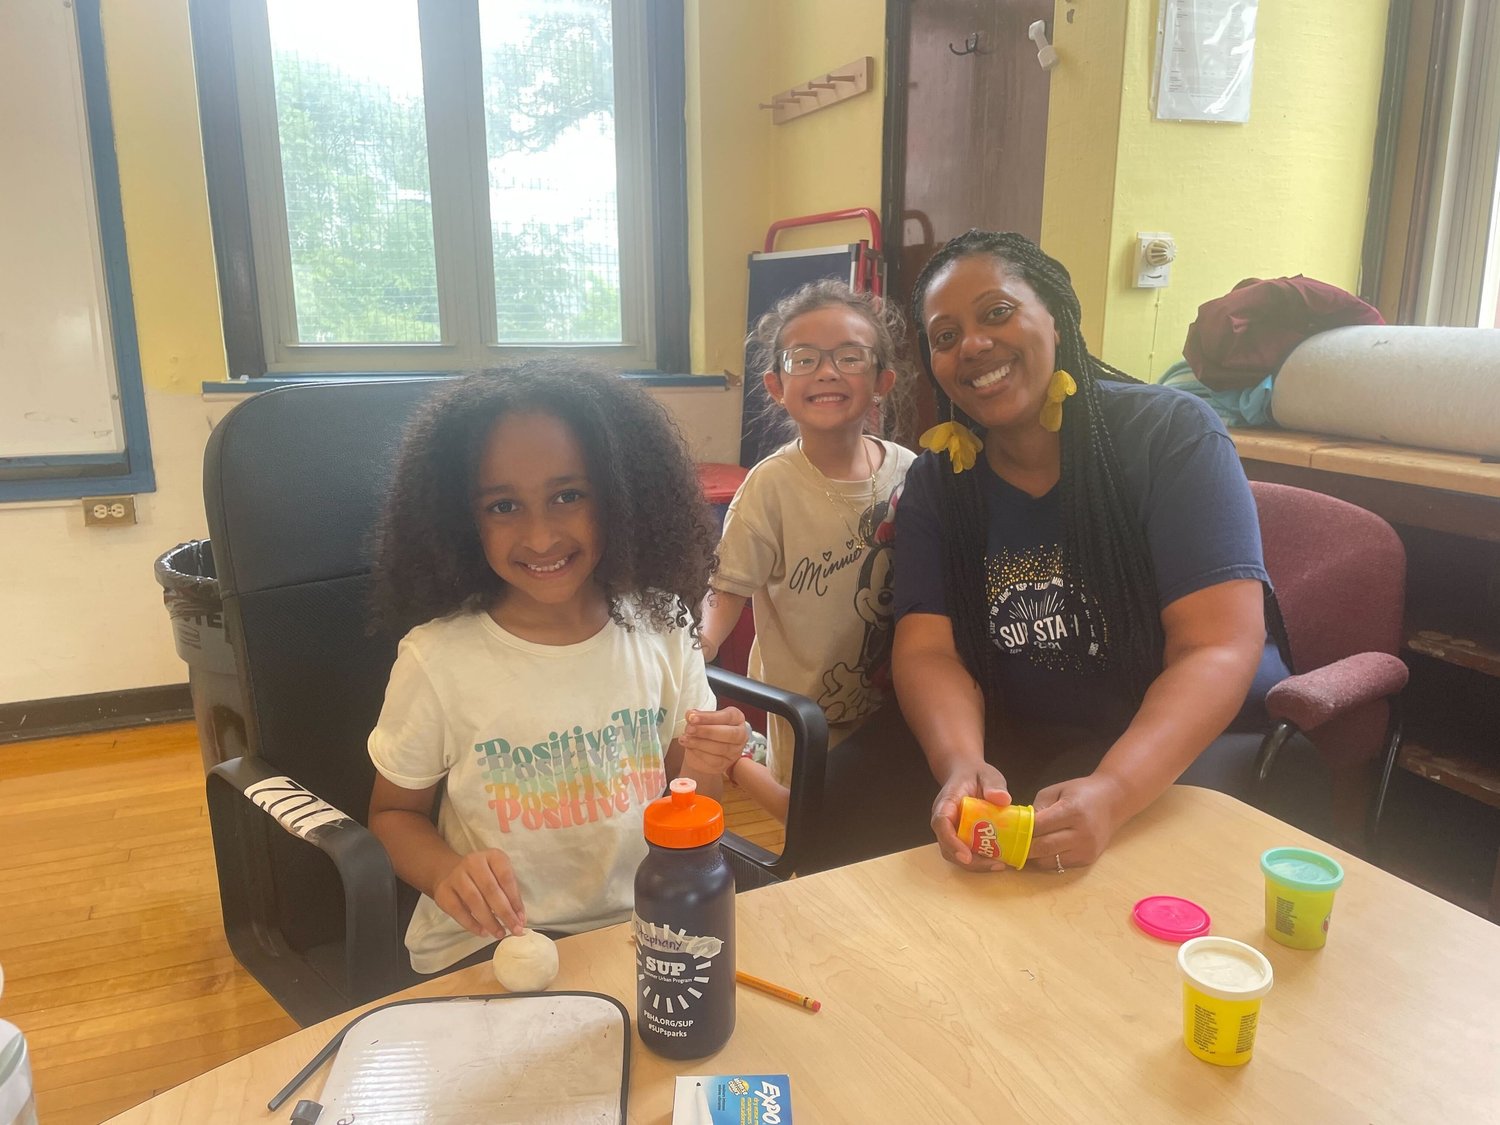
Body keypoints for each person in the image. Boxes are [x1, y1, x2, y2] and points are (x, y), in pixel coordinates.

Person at [894, 230, 1296, 874]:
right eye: (945, 336)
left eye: (997, 312)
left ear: (1055, 316)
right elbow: (928, 650)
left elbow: (1216, 647)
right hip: (1032, 741)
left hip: (1192, 746)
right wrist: (961, 762)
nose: (972, 344)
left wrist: (1115, 789)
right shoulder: (940, 480)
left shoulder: (1170, 434)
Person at [365, 363, 750, 974]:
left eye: (568, 496)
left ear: (619, 496)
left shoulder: (663, 625)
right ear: (462, 520)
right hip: (492, 945)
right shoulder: (437, 659)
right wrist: (445, 873)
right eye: (503, 506)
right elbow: (392, 815)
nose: (541, 536)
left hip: (642, 928)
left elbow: (690, 804)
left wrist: (704, 766)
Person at [700, 280, 916, 791]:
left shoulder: (910, 471)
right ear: (776, 386)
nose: (827, 371)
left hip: (896, 706)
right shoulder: (770, 487)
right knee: (811, 819)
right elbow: (726, 591)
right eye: (804, 359)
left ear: (882, 381)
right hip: (808, 717)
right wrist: (697, 646)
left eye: (850, 357)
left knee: (881, 812)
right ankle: (745, 762)